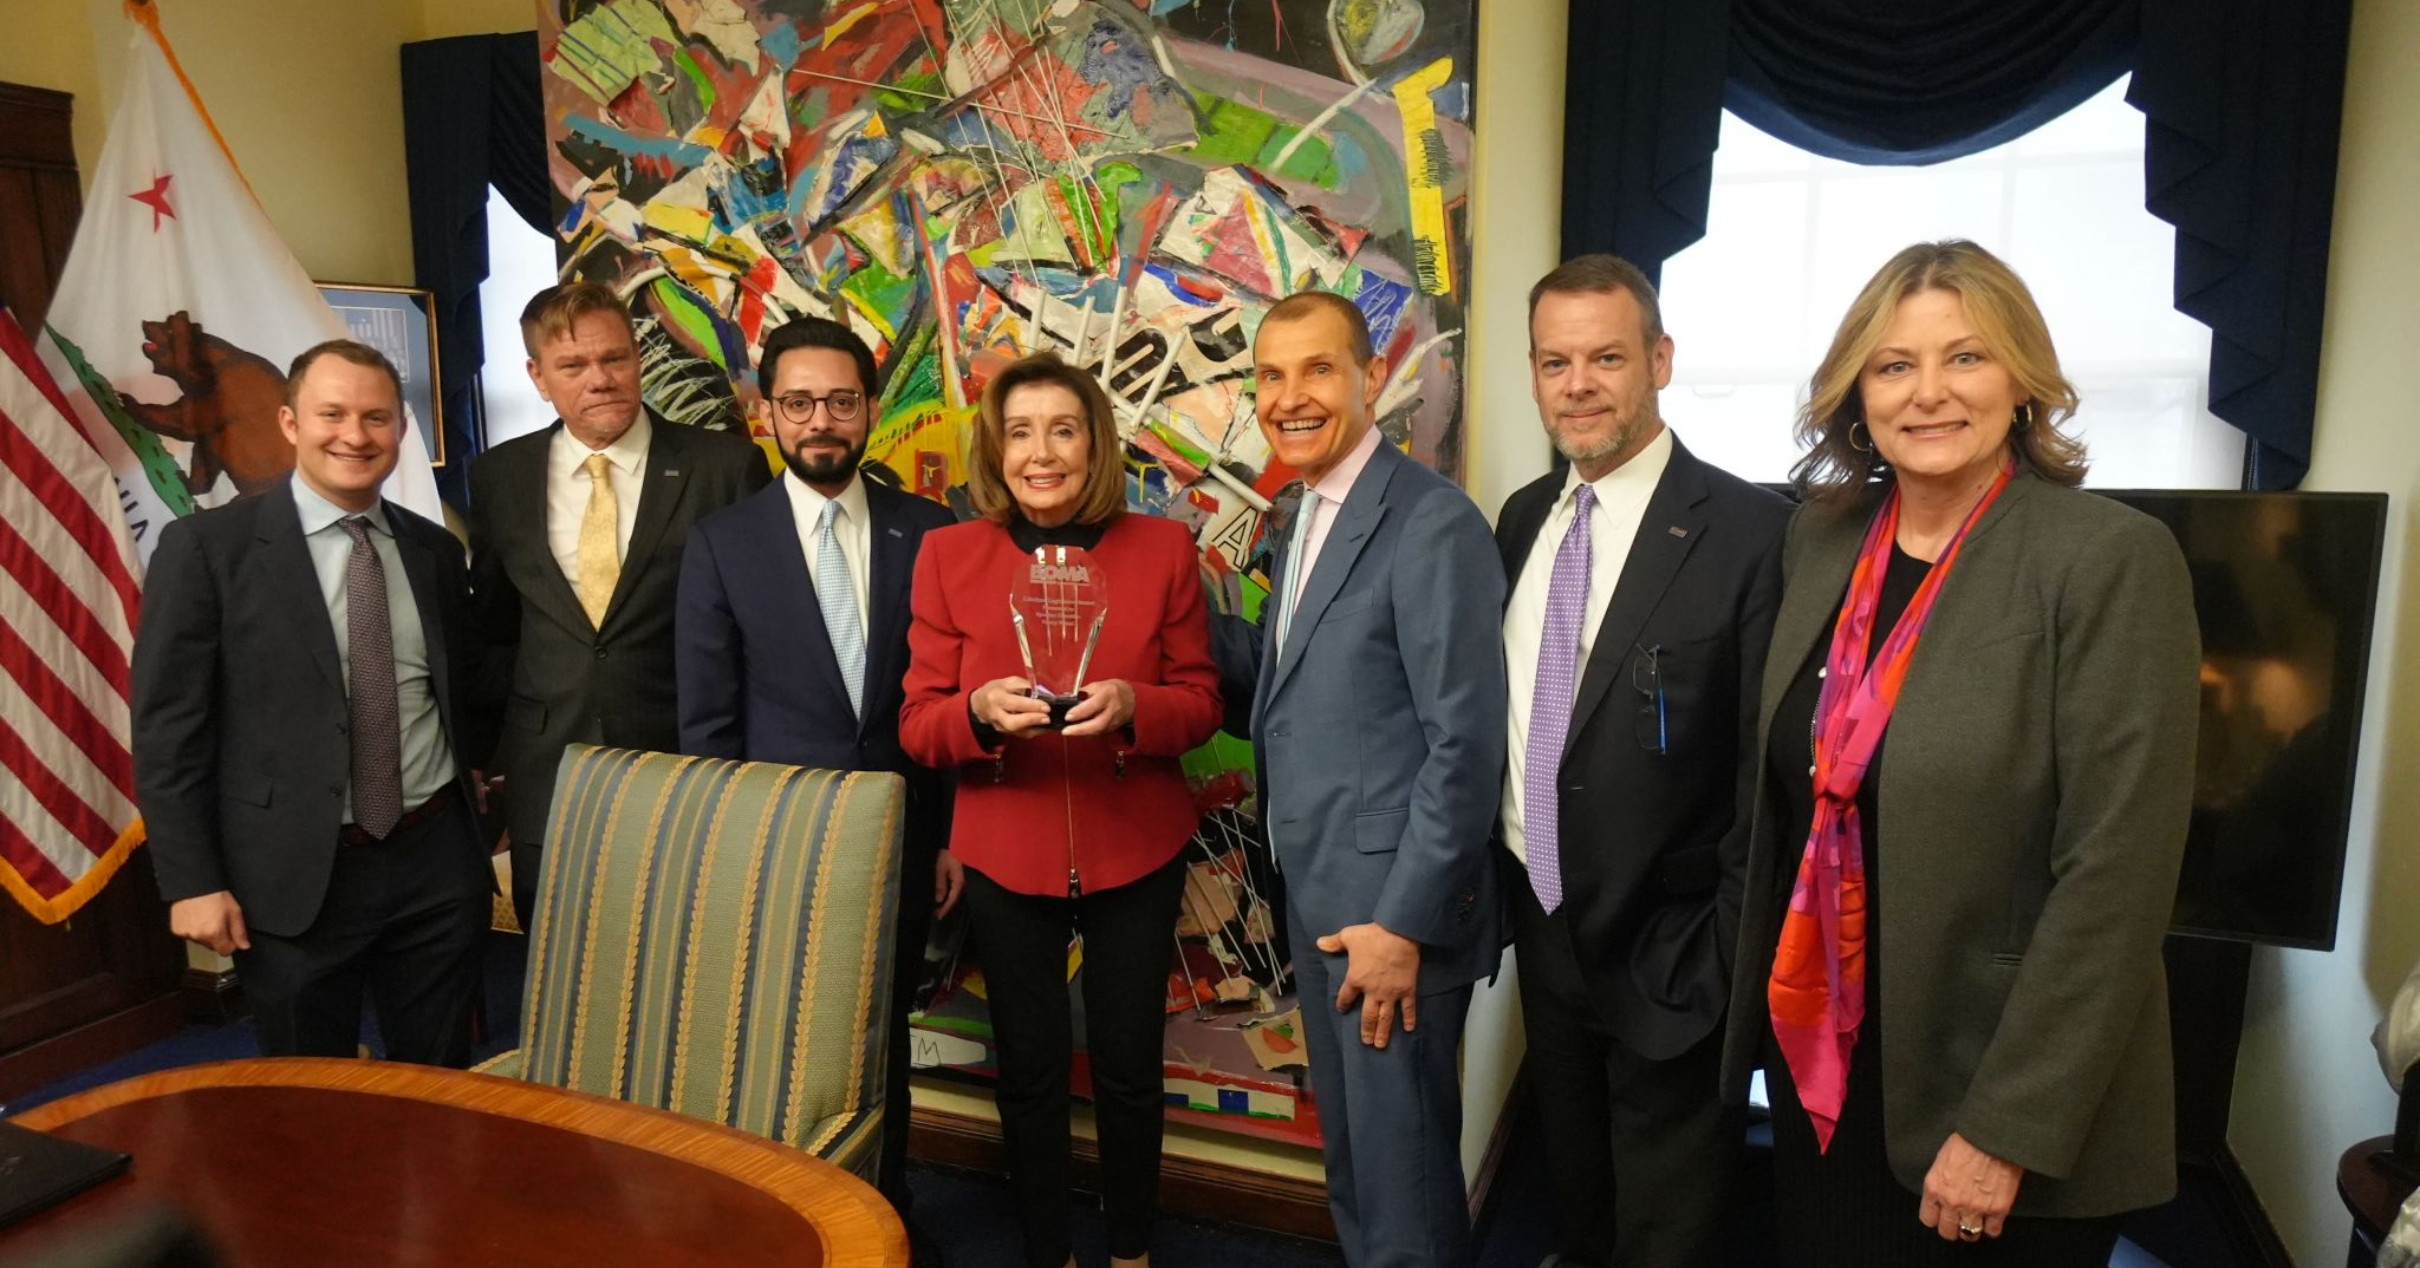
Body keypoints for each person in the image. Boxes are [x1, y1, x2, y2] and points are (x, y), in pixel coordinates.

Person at [1721, 239, 2200, 1264]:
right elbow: (1782, 794)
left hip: (1989, 1079)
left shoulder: (2107, 560)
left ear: (2022, 381)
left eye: (1965, 358)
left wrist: (2003, 1128)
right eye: (1894, 364)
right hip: (1824, 1062)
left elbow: (2113, 880)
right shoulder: (1819, 537)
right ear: (1856, 392)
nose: (1927, 393)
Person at [1495, 256, 1788, 1268]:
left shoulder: (1752, 534)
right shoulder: (1522, 516)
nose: (1576, 383)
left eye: (1606, 356)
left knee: (1666, 1225)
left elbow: (1765, 777)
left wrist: (1725, 960)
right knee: (1573, 1181)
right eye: (1553, 360)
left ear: (1658, 360)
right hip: (1542, 919)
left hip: (1673, 944)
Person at [898, 351, 1222, 1268]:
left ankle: (1130, 1253)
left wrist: (1134, 708)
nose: (1041, 453)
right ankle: (1050, 1252)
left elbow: (1200, 702)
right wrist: (973, 716)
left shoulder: (1163, 550)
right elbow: (919, 726)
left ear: (1096, 444)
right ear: (996, 452)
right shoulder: (947, 556)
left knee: (1127, 1071)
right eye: (1020, 432)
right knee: (1031, 1073)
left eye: (1064, 430)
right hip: (1006, 849)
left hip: (1137, 846)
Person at [1210, 291, 1507, 1268]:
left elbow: (1464, 743)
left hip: (1388, 924)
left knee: (1405, 1189)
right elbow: (1293, 687)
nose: (1289, 396)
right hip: (1321, 893)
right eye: (1269, 374)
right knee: (1357, 1172)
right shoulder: (1304, 514)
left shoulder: (1430, 523)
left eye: (1317, 369)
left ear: (1372, 378)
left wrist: (1403, 926)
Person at [673, 314, 960, 1240]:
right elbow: (708, 722)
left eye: (840, 401)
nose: (820, 422)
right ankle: (790, 1223)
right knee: (778, 1044)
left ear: (871, 408)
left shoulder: (933, 532)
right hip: (777, 848)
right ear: (767, 412)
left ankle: (888, 1217)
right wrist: (728, 853)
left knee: (881, 1045)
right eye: (798, 404)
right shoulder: (722, 543)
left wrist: (949, 835)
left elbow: (948, 696)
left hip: (906, 837)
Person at [133, 340, 497, 1065]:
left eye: (376, 418)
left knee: (443, 1087)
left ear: (399, 429)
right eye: (332, 414)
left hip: (433, 860)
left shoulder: (432, 549)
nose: (355, 436)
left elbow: (454, 691)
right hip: (296, 875)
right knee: (314, 1099)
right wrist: (194, 881)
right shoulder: (207, 550)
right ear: (291, 422)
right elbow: (169, 730)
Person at [466, 282, 770, 929]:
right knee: (561, 977)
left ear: (637, 358)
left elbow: (760, 638)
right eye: (573, 366)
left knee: (693, 970)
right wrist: (491, 761)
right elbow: (494, 630)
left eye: (615, 359)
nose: (599, 380)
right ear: (538, 377)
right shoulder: (501, 477)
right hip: (550, 783)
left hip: (688, 772)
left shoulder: (726, 469)